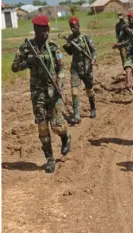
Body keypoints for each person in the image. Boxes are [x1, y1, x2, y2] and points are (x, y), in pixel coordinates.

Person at [11, 15, 71, 173]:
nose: (46, 33)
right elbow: (14, 67)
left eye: (47, 30)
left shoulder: (53, 47)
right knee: (43, 128)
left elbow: (62, 69)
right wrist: (28, 62)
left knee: (57, 126)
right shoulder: (26, 47)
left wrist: (60, 82)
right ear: (36, 30)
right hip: (38, 94)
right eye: (43, 31)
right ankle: (50, 160)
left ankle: (65, 137)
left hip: (54, 92)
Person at [63, 16, 97, 124]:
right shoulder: (70, 38)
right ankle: (76, 115)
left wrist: (93, 60)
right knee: (74, 92)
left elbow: (94, 51)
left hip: (87, 68)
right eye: (71, 27)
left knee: (89, 90)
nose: (73, 29)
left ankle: (92, 108)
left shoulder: (86, 37)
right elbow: (70, 53)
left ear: (78, 26)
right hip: (75, 69)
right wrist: (67, 45)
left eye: (74, 27)